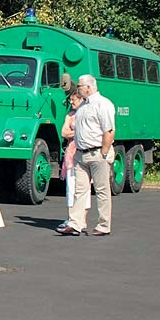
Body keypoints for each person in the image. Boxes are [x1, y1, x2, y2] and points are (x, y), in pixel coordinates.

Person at [58, 74, 116, 237]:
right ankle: (75, 224)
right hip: (81, 154)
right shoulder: (83, 106)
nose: (78, 89)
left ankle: (103, 225)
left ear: (89, 87)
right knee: (79, 190)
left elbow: (109, 130)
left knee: (102, 191)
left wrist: (104, 152)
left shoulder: (103, 104)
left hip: (97, 152)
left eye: (80, 86)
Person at [56, 90, 85, 232]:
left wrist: (73, 133)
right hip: (71, 153)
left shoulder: (86, 113)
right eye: (71, 99)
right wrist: (79, 133)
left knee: (83, 188)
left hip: (83, 151)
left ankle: (82, 219)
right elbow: (63, 132)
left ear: (81, 100)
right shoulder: (70, 115)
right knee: (71, 186)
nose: (71, 102)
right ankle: (71, 218)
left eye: (74, 100)